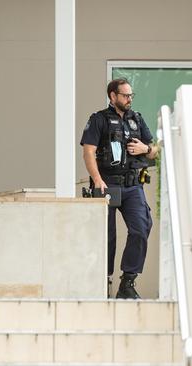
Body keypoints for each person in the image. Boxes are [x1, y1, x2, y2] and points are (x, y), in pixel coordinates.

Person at [79, 78, 159, 299]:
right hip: (107, 184)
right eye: (125, 95)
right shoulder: (99, 119)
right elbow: (88, 152)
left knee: (141, 228)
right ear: (112, 96)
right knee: (107, 236)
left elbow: (153, 151)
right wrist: (97, 180)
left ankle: (128, 282)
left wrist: (146, 148)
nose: (129, 99)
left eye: (131, 95)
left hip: (133, 185)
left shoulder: (137, 119)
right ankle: (103, 281)